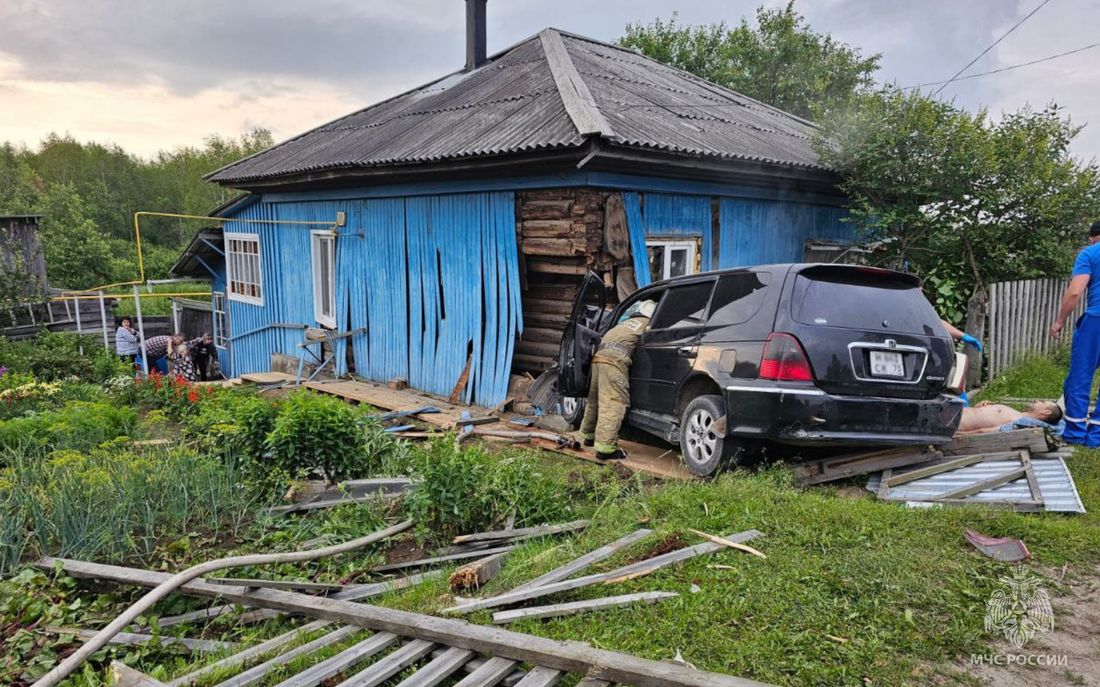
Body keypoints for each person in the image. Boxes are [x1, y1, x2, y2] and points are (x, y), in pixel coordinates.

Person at [578, 299, 657, 460]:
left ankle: (588, 436)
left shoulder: (626, 323)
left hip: (599, 357)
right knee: (614, 402)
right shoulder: (648, 325)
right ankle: (605, 449)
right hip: (614, 361)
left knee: (595, 400)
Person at [1050, 219, 1100, 446]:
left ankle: (1075, 432)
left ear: (1092, 237)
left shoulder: (1089, 254)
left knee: (1081, 376)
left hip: (1096, 321)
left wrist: (1060, 321)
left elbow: (1075, 291)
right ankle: (1097, 435)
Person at [957, 400, 1063, 435]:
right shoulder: (1018, 415)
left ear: (1046, 411)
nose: (1038, 400)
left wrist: (963, 434)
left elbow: (985, 431)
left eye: (1042, 402)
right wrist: (988, 404)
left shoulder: (1019, 423)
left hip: (957, 422)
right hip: (957, 412)